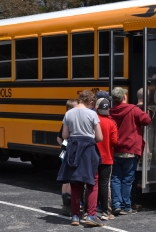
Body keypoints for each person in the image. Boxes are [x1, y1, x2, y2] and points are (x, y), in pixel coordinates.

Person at [56, 90, 104, 227]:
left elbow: (65, 135)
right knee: (92, 183)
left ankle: (75, 216)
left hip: (73, 150)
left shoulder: (68, 113)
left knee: (75, 183)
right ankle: (91, 215)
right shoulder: (92, 114)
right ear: (91, 102)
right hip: (88, 151)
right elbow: (100, 137)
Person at [109, 87, 151, 215]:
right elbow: (147, 120)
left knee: (116, 178)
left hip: (116, 149)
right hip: (130, 150)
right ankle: (126, 206)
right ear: (124, 97)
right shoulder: (133, 109)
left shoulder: (111, 112)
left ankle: (116, 205)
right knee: (128, 179)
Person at [94, 98, 118, 221]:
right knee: (104, 184)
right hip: (107, 157)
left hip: (93, 157)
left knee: (92, 184)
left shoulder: (93, 120)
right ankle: (105, 211)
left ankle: (89, 211)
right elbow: (114, 141)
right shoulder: (111, 123)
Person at [57, 99, 78, 216]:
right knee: (69, 178)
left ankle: (65, 203)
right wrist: (67, 147)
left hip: (64, 151)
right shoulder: (69, 120)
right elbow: (60, 137)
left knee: (66, 177)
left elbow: (59, 138)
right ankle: (67, 203)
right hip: (67, 152)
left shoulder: (66, 119)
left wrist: (63, 146)